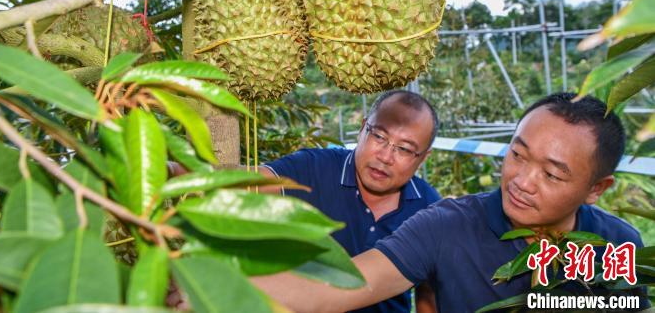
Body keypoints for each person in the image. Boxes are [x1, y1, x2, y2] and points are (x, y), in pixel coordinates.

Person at [253, 93, 649, 313]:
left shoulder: (618, 246)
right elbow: (336, 286)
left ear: (597, 188)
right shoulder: (444, 225)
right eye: (517, 155)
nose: (522, 181)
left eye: (552, 174)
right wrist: (207, 287)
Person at [258, 90, 442, 313]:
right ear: (363, 127)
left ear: (423, 157)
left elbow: (429, 296)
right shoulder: (313, 168)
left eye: (404, 149)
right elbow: (252, 184)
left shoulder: (430, 209)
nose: (385, 157)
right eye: (379, 136)